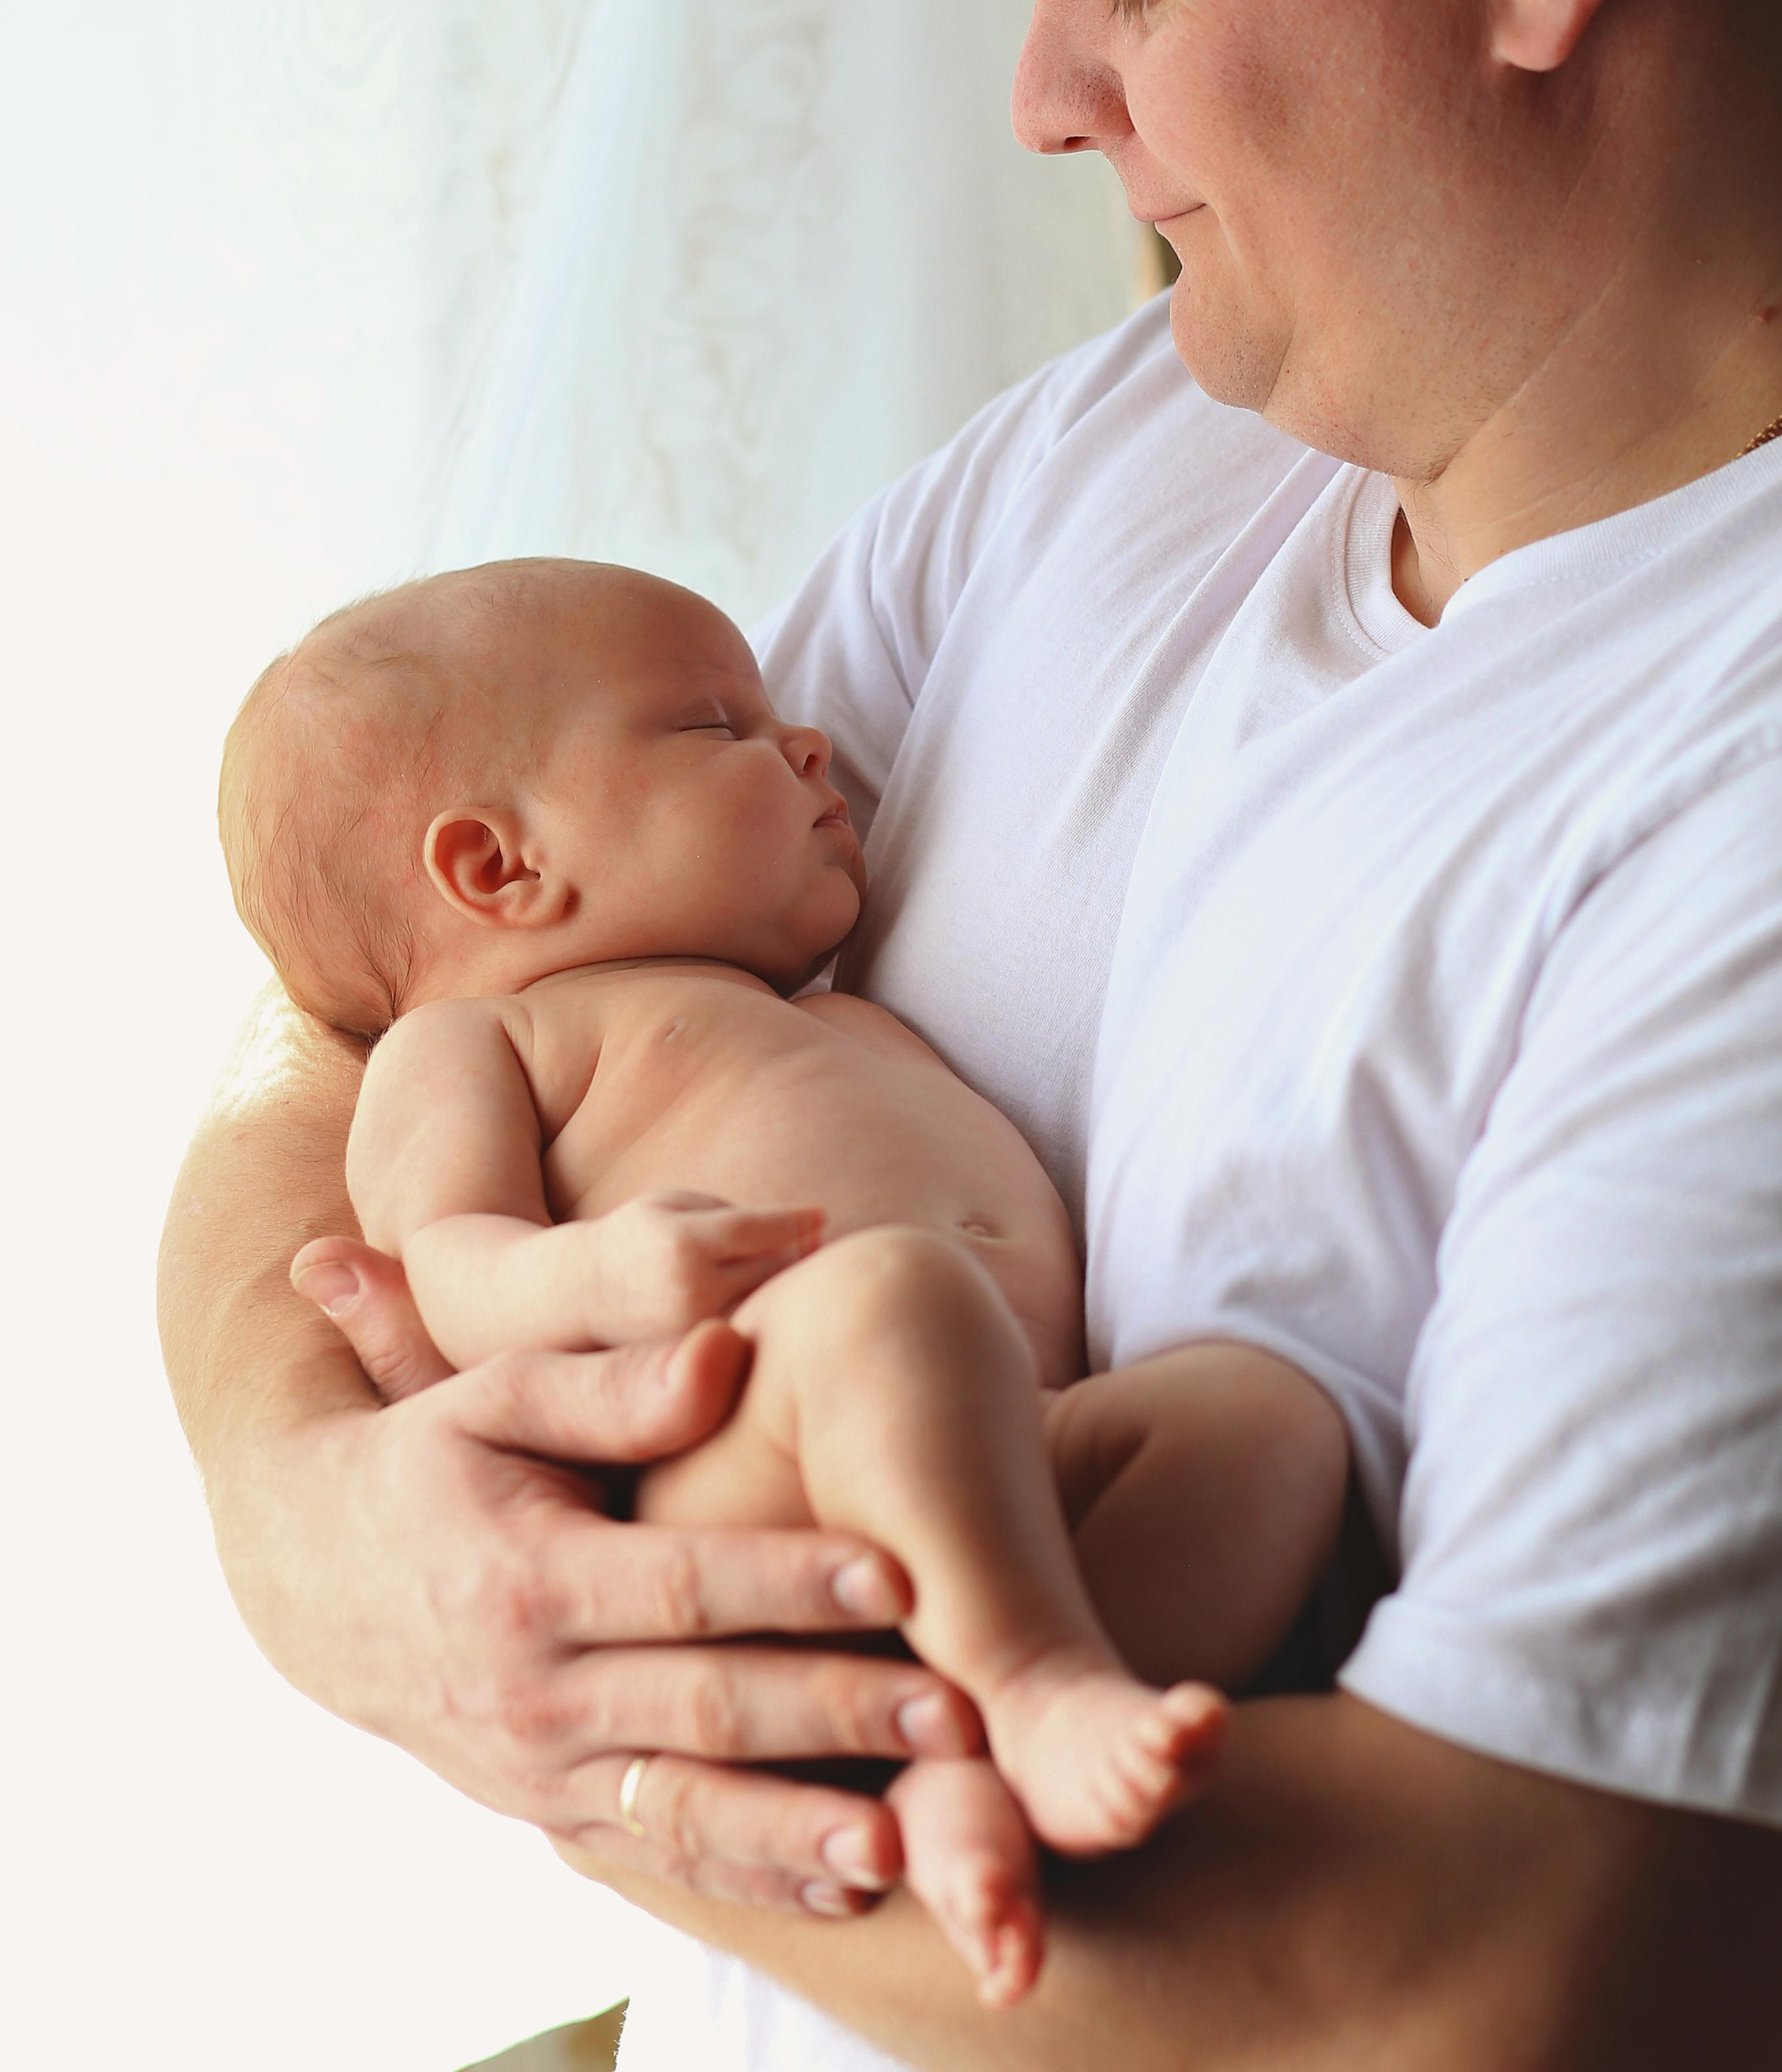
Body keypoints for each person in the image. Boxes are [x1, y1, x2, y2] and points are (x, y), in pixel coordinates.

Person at [160, 0, 1782, 2063]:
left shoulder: (1756, 782)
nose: (1045, 95)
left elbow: (1487, 1966)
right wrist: (306, 1508)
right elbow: (399, 971)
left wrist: (555, 1719)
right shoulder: (1133, 440)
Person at [215, 556, 1346, 2005]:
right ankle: (1035, 1685)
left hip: (1007, 1450)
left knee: (1260, 1421)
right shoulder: (481, 1043)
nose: (806, 742)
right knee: (886, 1298)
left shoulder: (816, 1014)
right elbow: (446, 1263)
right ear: (499, 868)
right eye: (715, 728)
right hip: (756, 1462)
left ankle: (959, 1762)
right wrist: (602, 1275)